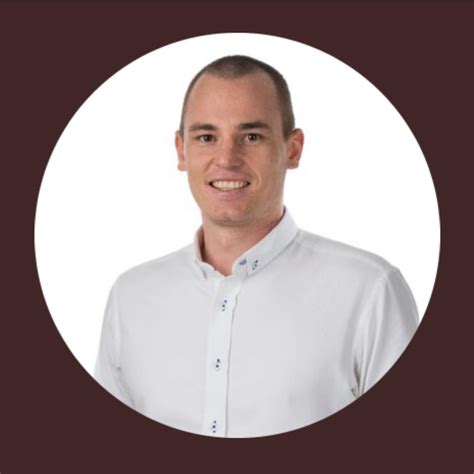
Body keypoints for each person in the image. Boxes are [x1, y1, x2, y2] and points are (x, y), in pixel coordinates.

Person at [94, 55, 419, 438]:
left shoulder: (369, 291)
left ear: (293, 149)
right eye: (207, 137)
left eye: (251, 137)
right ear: (182, 151)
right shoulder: (131, 297)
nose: (227, 159)